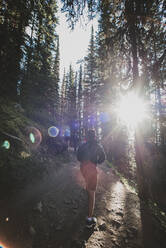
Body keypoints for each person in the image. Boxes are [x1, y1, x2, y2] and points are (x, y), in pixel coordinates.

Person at [77, 129, 106, 228]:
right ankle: (89, 220)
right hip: (92, 168)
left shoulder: (82, 145)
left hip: (83, 167)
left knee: (88, 187)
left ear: (86, 136)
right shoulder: (98, 146)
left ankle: (87, 195)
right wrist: (95, 161)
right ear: (94, 136)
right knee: (92, 193)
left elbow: (78, 158)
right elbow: (103, 158)